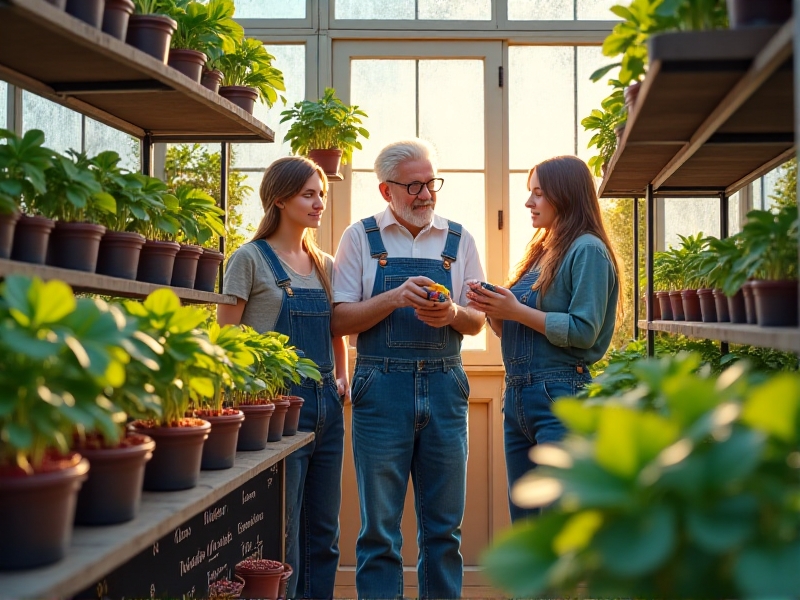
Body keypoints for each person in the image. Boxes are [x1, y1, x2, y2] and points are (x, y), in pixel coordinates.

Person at [331, 138, 485, 599]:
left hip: (445, 383)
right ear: (386, 191)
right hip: (381, 385)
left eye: (431, 183)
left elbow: (479, 321)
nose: (426, 194)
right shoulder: (359, 237)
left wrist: (453, 314)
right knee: (379, 533)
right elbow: (338, 319)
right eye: (414, 186)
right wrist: (396, 297)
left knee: (444, 532)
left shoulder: (459, 240)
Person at [218, 156, 348, 599]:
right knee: (285, 529)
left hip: (327, 404)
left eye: (321, 196)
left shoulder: (326, 263)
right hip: (275, 410)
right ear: (280, 198)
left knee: (323, 530)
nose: (318, 204)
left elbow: (335, 330)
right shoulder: (248, 259)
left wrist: (343, 376)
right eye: (308, 195)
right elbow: (227, 338)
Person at [466, 155, 620, 522]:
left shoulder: (587, 250)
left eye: (538, 193)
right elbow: (515, 328)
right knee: (527, 525)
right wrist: (493, 308)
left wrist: (516, 310)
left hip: (559, 397)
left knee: (554, 524)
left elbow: (584, 332)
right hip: (518, 395)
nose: (528, 202)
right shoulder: (542, 251)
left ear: (564, 195)